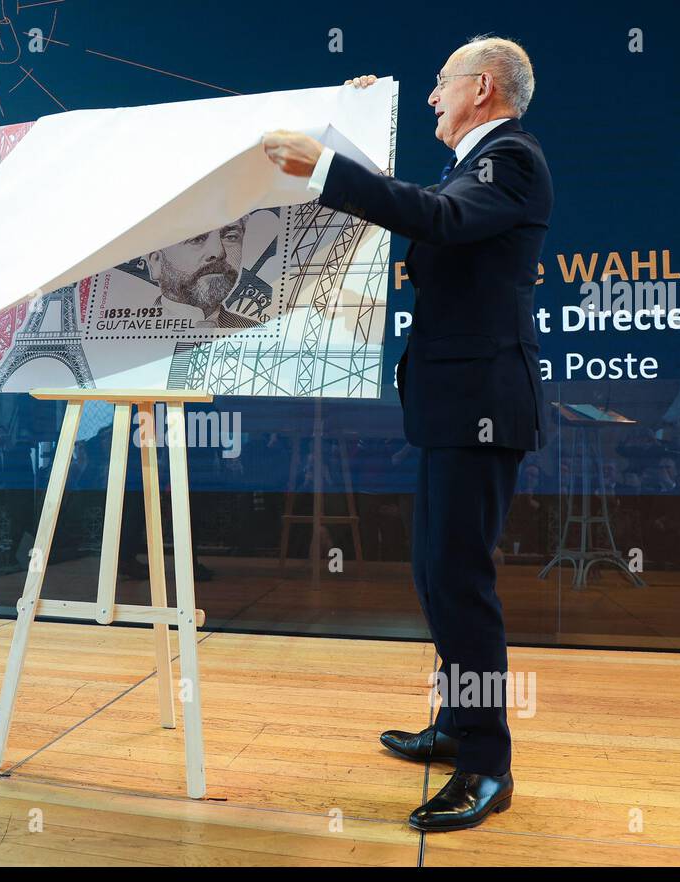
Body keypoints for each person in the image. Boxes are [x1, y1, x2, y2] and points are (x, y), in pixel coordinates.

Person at [263, 35, 552, 831]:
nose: (431, 96)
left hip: (481, 404)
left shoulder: (512, 160)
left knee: (461, 584)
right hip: (453, 403)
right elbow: (420, 202)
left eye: (439, 83)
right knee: (437, 577)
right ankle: (459, 723)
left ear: (482, 88)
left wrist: (325, 167)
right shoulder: (476, 164)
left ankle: (488, 762)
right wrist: (352, 127)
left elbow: (435, 216)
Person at [147, 217, 261, 329]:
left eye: (230, 237)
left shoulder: (257, 332)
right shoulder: (138, 332)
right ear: (156, 262)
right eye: (197, 239)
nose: (219, 252)